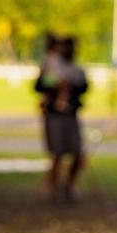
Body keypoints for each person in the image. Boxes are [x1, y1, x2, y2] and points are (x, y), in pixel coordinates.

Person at [35, 36, 88, 202]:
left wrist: (70, 86)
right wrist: (55, 86)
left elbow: (84, 87)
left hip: (71, 115)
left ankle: (69, 186)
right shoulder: (50, 66)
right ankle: (53, 188)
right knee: (57, 154)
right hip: (55, 116)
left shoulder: (76, 69)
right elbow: (39, 86)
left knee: (78, 154)